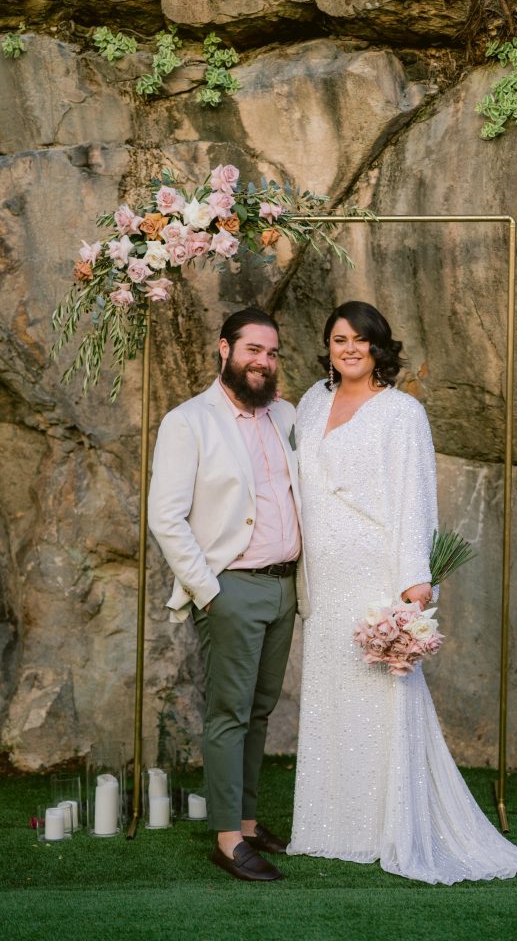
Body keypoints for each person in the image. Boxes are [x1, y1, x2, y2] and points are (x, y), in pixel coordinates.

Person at [288, 300, 517, 884]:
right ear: (327, 348)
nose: (349, 349)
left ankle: (390, 826)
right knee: (332, 691)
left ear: (379, 348)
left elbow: (415, 497)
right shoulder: (310, 402)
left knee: (383, 694)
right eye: (338, 340)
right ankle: (329, 825)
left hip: (373, 572)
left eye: (360, 339)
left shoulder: (401, 412)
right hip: (324, 576)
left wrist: (414, 584)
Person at [148, 307, 305, 882]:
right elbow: (166, 518)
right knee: (229, 716)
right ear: (224, 350)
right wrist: (209, 592)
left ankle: (247, 819)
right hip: (231, 588)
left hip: (284, 587)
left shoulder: (285, 414)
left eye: (271, 352)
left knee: (259, 713)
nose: (263, 361)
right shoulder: (188, 422)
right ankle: (226, 839)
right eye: (252, 350)